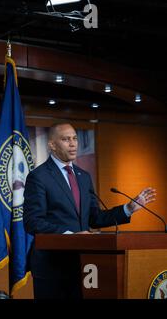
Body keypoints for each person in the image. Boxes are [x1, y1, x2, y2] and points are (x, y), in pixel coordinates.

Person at [23, 122, 156, 299]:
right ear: (52, 145)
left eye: (75, 139)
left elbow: (95, 218)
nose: (73, 144)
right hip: (52, 266)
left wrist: (128, 209)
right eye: (65, 139)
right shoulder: (39, 177)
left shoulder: (83, 176)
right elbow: (33, 221)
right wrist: (71, 236)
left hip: (84, 265)